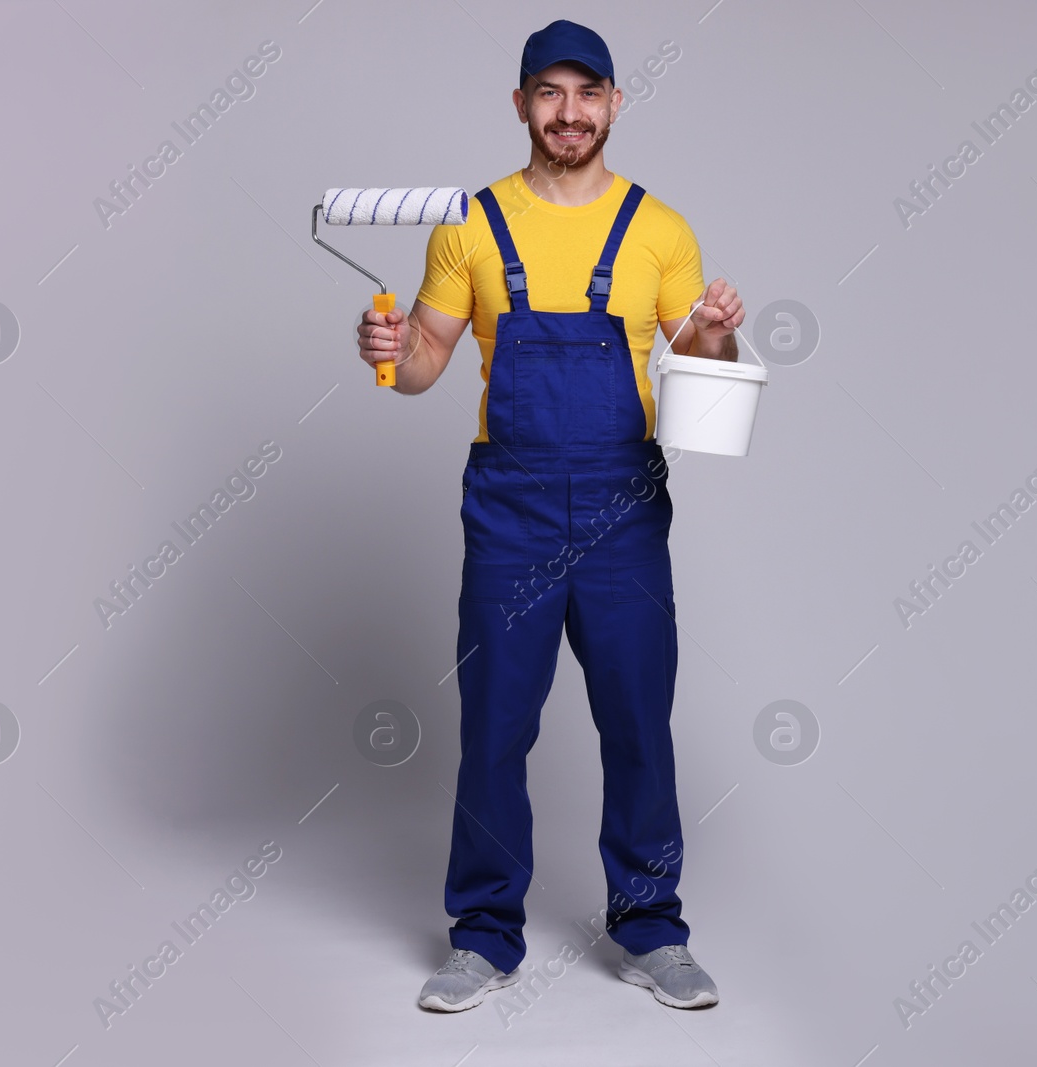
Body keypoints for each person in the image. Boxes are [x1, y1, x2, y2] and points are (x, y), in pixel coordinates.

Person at [354, 19, 743, 1013]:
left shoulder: (661, 229)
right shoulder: (470, 227)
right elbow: (427, 366)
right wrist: (389, 350)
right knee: (493, 723)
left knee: (637, 721)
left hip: (622, 508)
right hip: (511, 510)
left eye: (587, 93)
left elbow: (708, 377)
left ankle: (652, 925)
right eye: (548, 92)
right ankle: (483, 935)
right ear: (521, 103)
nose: (567, 113)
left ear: (614, 103)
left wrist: (712, 338)